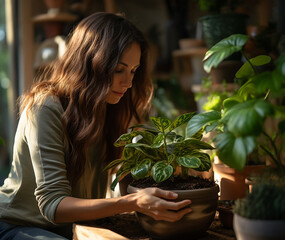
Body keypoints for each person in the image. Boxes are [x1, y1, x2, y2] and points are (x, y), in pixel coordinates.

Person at [0, 12, 192, 239]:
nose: (128, 82)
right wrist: (133, 202)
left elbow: (122, 173)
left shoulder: (110, 106)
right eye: (119, 70)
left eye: (133, 71)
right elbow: (53, 205)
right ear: (90, 63)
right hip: (19, 224)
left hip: (76, 226)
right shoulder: (46, 107)